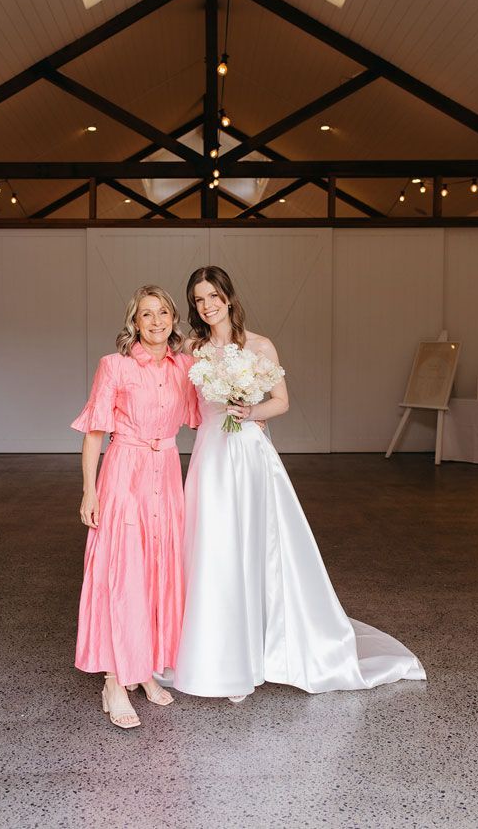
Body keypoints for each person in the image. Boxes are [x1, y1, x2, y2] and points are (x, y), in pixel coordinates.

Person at [174, 266, 426, 701]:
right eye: (199, 299)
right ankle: (216, 650)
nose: (207, 304)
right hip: (210, 456)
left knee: (254, 544)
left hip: (250, 454)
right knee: (211, 545)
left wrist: (247, 411)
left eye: (213, 295)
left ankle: (261, 649)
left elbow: (282, 402)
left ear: (229, 297)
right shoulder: (193, 349)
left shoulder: (260, 345)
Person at [71, 285, 199, 728]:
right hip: (125, 472)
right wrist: (90, 491)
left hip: (166, 472)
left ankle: (143, 668)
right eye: (147, 314)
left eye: (163, 313)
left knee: (158, 571)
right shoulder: (115, 366)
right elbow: (94, 433)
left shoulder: (186, 365)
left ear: (173, 319)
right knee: (122, 571)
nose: (157, 321)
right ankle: (114, 680)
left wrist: (253, 407)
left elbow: (211, 410)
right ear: (135, 322)